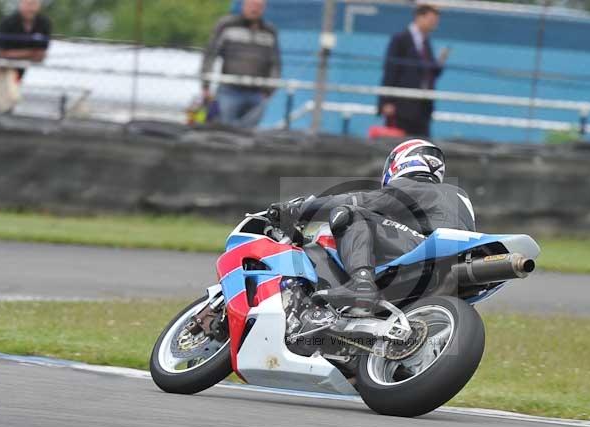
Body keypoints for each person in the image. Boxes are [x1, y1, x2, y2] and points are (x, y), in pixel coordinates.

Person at [271, 139, 476, 307]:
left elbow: (362, 201)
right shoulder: (457, 194)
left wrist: (300, 209)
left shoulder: (414, 186)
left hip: (427, 250)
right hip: (454, 261)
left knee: (351, 214)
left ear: (401, 162)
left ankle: (361, 283)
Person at [200, 0, 281, 128]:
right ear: (244, 5)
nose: (255, 9)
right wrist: (206, 84)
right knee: (224, 130)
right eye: (252, 5)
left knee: (248, 133)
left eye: (259, 6)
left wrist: (269, 90)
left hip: (257, 94)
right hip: (229, 90)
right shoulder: (227, 25)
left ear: (264, 8)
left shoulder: (270, 31)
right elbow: (210, 54)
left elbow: (275, 62)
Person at [378, 5, 448, 138]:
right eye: (431, 20)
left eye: (436, 22)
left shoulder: (426, 42)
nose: (434, 25)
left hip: (422, 108)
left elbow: (429, 74)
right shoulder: (400, 39)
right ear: (419, 17)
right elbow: (391, 71)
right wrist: (386, 101)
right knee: (400, 144)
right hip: (401, 107)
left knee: (422, 144)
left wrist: (440, 63)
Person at [0, 0, 51, 113]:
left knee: (7, 107)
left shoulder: (43, 23)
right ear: (21, 4)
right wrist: (30, 53)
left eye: (34, 4)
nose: (31, 8)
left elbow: (41, 55)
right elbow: (2, 53)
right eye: (28, 4)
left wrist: (15, 54)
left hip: (15, 71)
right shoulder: (9, 21)